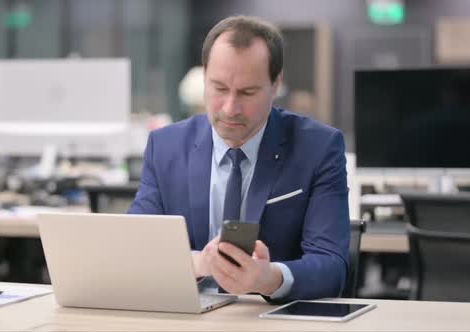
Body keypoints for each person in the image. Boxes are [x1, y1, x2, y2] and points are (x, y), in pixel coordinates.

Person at [128, 15, 349, 303]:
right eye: (219, 88)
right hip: (187, 315)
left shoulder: (318, 148)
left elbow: (332, 267)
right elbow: (135, 248)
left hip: (271, 320)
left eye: (247, 92)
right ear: (204, 76)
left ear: (275, 83)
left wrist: (269, 278)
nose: (230, 108)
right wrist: (198, 263)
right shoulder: (166, 146)